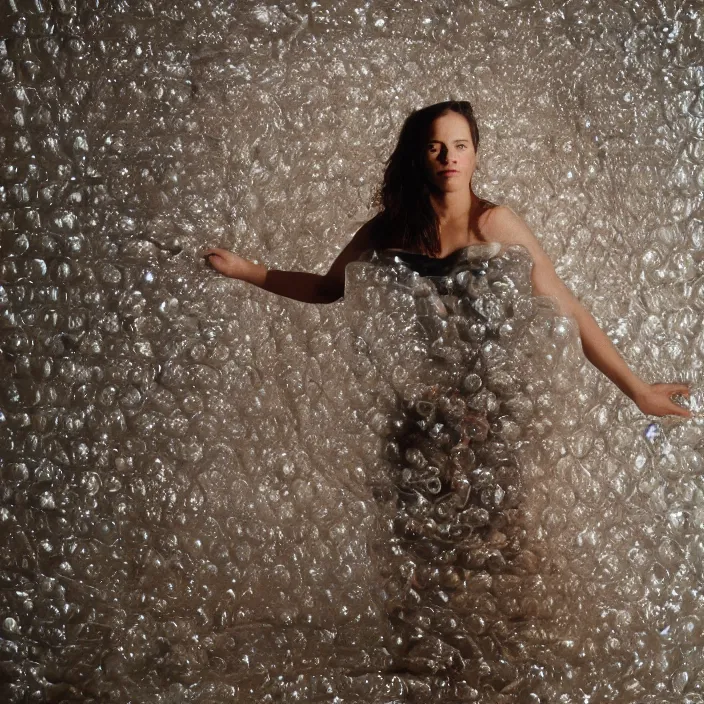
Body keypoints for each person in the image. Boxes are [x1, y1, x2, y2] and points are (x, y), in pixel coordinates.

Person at [202, 99, 691, 420]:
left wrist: (638, 390)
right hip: (417, 406)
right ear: (420, 157)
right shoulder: (390, 227)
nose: (449, 157)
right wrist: (246, 270)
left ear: (476, 154)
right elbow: (328, 289)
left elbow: (568, 308)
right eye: (436, 147)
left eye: (460, 146)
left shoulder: (494, 224)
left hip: (491, 404)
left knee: (499, 542)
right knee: (415, 545)